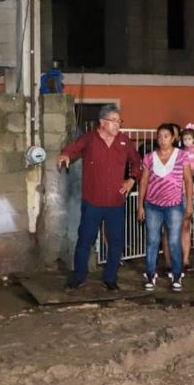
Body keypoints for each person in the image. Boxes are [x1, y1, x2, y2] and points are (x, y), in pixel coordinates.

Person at [57, 104, 141, 290]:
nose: (118, 124)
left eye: (119, 121)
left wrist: (131, 180)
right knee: (85, 239)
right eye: (114, 121)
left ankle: (110, 278)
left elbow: (137, 163)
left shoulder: (124, 142)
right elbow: (72, 148)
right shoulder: (89, 139)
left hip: (116, 203)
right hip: (93, 202)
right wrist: (65, 155)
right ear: (102, 122)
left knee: (116, 241)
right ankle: (79, 277)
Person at [137, 124, 194, 292]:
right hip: (152, 206)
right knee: (152, 241)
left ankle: (177, 275)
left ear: (173, 138)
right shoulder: (149, 157)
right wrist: (140, 205)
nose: (162, 140)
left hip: (174, 206)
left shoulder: (182, 156)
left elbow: (189, 181)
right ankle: (150, 274)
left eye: (166, 136)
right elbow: (143, 182)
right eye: (160, 136)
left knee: (174, 241)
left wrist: (189, 204)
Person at [179, 124, 194, 273]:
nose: (187, 141)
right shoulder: (181, 152)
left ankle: (185, 259)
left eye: (189, 139)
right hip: (177, 190)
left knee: (186, 224)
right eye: (185, 139)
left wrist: (193, 171)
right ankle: (178, 258)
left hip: (187, 189)